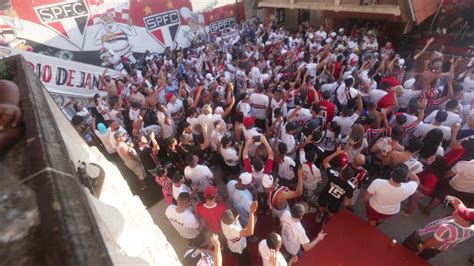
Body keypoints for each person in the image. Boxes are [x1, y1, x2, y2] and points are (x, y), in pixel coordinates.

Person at [403, 196, 474, 260]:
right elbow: (459, 205)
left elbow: (434, 241)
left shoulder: (447, 228)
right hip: (438, 248)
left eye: (460, 213)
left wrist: (423, 245)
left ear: (467, 222)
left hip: (423, 239)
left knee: (408, 246)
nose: (456, 211)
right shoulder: (471, 228)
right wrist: (453, 199)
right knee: (423, 257)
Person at [316, 147, 355, 223]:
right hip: (336, 200)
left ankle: (318, 217)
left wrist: (336, 153)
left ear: (340, 172)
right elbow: (346, 202)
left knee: (321, 207)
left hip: (326, 194)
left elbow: (325, 162)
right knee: (332, 213)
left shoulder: (333, 175)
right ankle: (326, 222)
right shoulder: (350, 187)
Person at [221, 201, 258, 266]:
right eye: (237, 217)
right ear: (234, 220)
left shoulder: (224, 220)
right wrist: (251, 213)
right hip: (240, 248)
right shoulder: (232, 229)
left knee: (241, 257)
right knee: (243, 261)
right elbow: (249, 232)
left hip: (234, 246)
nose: (238, 217)